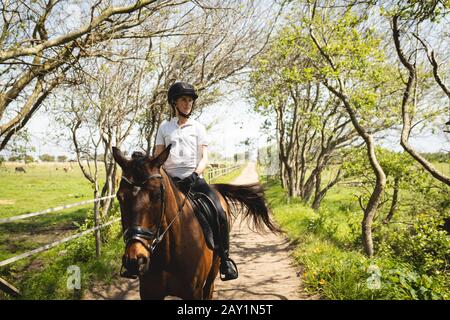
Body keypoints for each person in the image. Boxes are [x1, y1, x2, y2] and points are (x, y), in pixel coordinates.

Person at [154, 82, 238, 281]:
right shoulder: (164, 128)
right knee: (146, 210)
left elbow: (204, 157)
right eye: (184, 99)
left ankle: (225, 260)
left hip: (194, 180)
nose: (188, 103)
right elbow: (158, 156)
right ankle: (138, 258)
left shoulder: (198, 127)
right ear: (174, 102)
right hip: (170, 182)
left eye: (190, 100)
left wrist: (196, 173)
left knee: (218, 211)